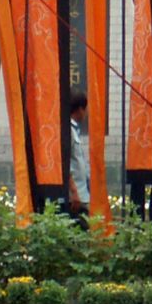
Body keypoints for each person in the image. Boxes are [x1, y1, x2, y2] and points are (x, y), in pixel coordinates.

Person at [66, 90, 91, 219]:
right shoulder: (67, 130)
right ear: (80, 109)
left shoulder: (74, 130)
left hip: (81, 194)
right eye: (86, 109)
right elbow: (65, 163)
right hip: (74, 197)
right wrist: (74, 192)